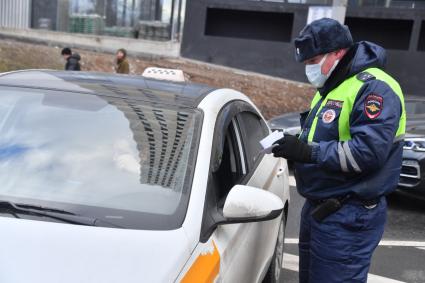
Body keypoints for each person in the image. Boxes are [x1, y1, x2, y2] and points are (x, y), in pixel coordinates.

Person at [272, 18, 405, 283]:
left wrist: (307, 152)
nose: (310, 69)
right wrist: (293, 142)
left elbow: (367, 153)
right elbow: (323, 133)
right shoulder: (334, 83)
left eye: (314, 61)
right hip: (321, 208)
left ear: (338, 52)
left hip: (348, 215)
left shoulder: (374, 88)